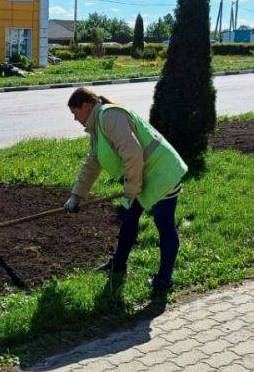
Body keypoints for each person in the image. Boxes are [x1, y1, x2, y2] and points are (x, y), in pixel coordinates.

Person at [64, 86, 187, 294]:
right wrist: (76, 196)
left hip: (162, 172)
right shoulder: (97, 127)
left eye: (76, 113)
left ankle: (164, 281)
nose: (75, 119)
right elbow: (92, 164)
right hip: (141, 176)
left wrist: (131, 189)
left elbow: (133, 154)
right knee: (129, 218)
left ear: (86, 106)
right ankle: (118, 266)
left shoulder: (110, 117)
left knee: (164, 223)